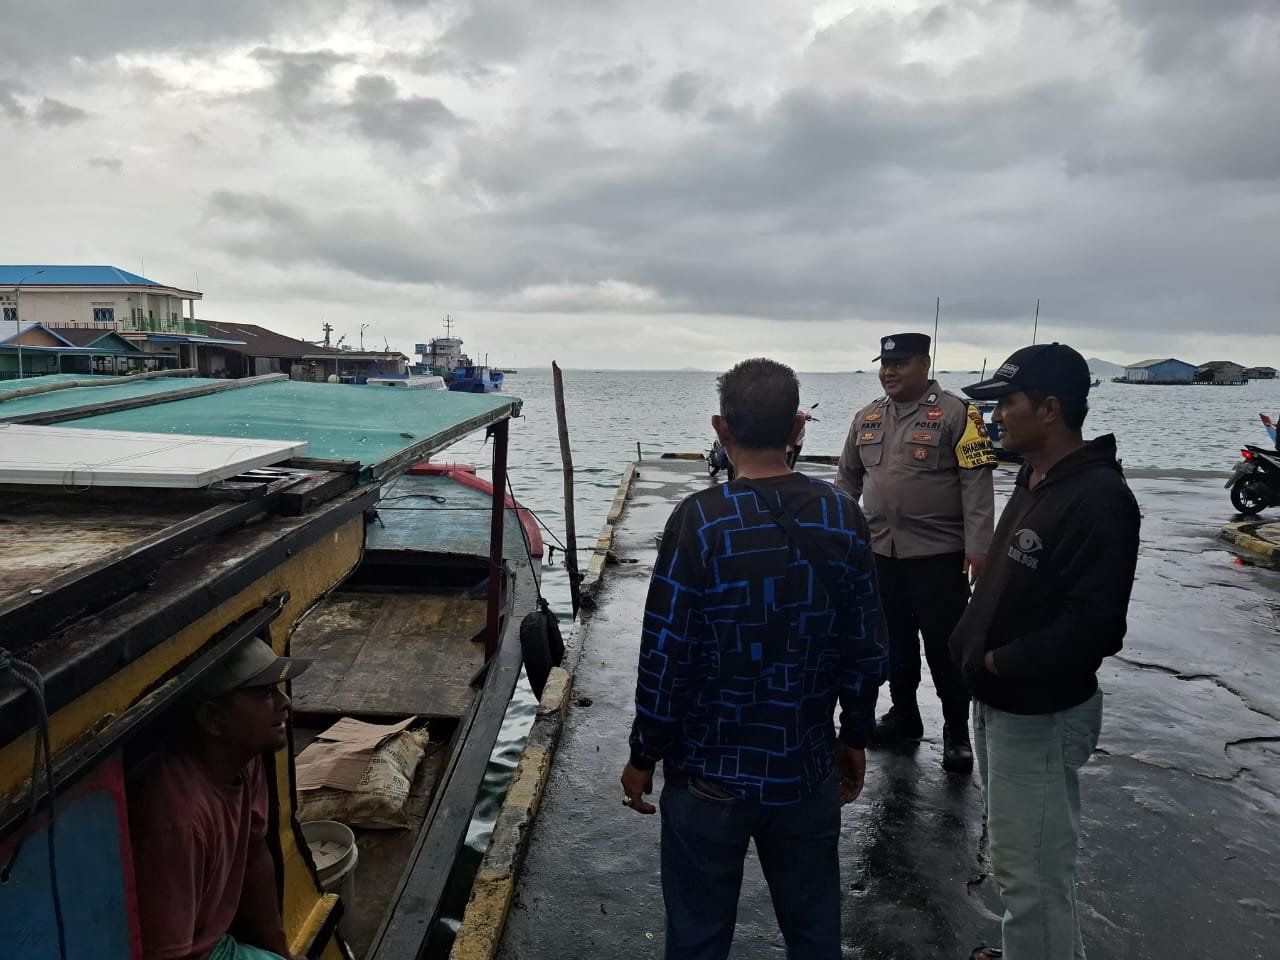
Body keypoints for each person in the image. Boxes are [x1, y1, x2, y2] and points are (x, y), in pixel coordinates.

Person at [620, 357, 887, 960]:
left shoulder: (699, 521)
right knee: (814, 930)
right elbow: (866, 645)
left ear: (721, 429)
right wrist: (854, 735)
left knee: (697, 934)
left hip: (708, 771)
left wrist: (644, 753)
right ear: (797, 428)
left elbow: (666, 653)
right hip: (806, 765)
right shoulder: (841, 514)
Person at [950, 343, 1140, 960]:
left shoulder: (1098, 498)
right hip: (1000, 702)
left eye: (1007, 403)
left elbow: (1096, 627)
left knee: (1032, 874)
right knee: (1018, 860)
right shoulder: (1036, 478)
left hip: (1039, 713)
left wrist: (999, 662)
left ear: (1051, 409)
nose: (995, 417)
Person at [836, 332, 996, 771]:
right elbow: (847, 480)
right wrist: (838, 535)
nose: (889, 372)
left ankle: (956, 732)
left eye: (900, 364)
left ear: (924, 364)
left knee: (946, 647)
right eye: (885, 365)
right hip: (880, 554)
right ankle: (904, 717)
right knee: (893, 644)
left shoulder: (959, 413)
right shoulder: (867, 416)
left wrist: (979, 546)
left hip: (939, 555)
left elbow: (976, 483)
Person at [129, 640, 312, 960]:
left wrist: (282, 953)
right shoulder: (179, 821)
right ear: (212, 719)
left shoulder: (245, 759)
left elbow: (255, 855)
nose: (284, 703)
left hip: (216, 941)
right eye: (265, 693)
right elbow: (165, 955)